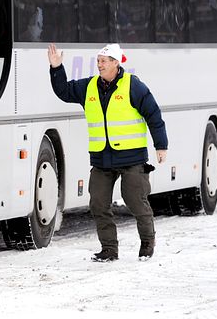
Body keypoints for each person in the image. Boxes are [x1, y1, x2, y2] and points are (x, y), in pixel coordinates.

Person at [48, 43, 168, 262]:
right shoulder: (90, 87)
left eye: (104, 61)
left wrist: (161, 146)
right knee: (98, 204)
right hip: (102, 158)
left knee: (135, 200)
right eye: (98, 61)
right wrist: (56, 67)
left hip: (132, 157)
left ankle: (147, 241)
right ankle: (109, 249)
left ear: (115, 63)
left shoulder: (134, 86)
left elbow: (153, 114)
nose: (100, 65)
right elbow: (63, 91)